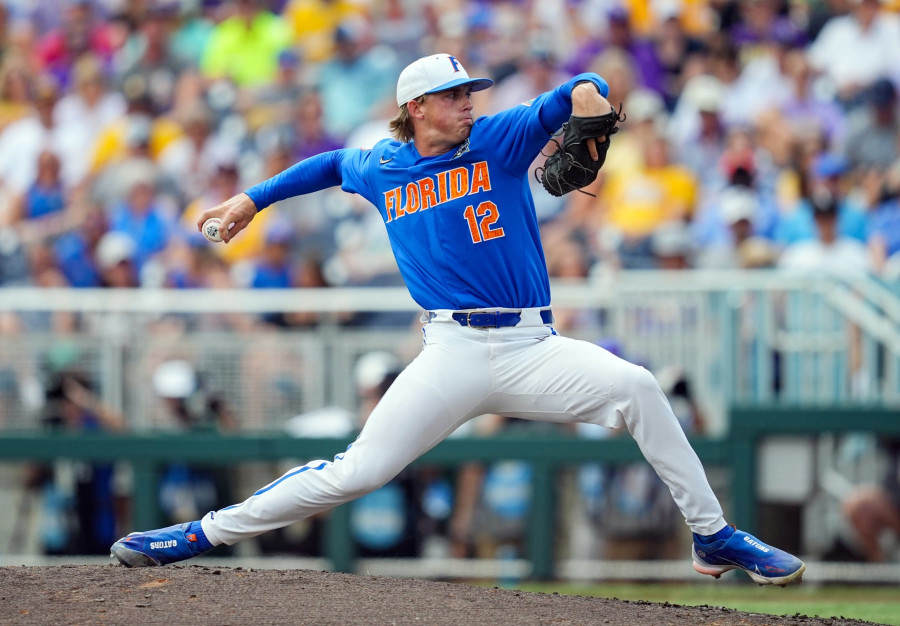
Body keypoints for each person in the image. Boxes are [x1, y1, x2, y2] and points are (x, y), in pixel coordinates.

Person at [110, 53, 805, 586]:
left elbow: (575, 91)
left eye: (470, 92)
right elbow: (327, 165)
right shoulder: (382, 165)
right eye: (453, 96)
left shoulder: (497, 139)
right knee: (358, 472)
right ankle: (201, 535)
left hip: (533, 345)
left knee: (639, 389)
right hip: (451, 354)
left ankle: (711, 535)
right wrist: (250, 201)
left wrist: (590, 96)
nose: (468, 103)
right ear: (416, 108)